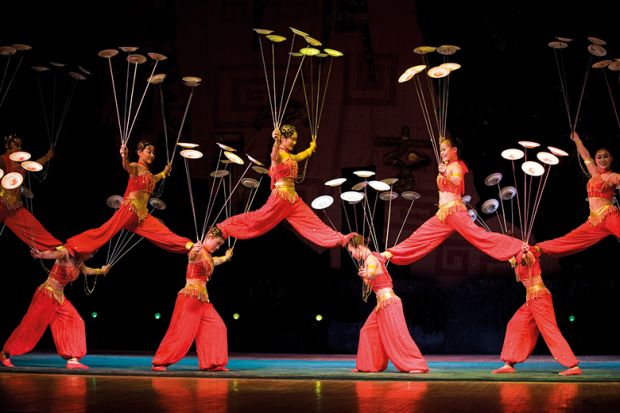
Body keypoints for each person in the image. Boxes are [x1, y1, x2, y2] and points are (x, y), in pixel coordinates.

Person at [382, 136, 524, 264]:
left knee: (480, 237)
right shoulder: (448, 166)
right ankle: (388, 254)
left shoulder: (456, 166)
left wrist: (444, 173)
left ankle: (518, 246)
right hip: (443, 215)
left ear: (454, 150)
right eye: (440, 150)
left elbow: (456, 181)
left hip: (455, 212)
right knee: (421, 235)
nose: (442, 152)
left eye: (444, 149)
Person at [216, 125, 347, 248]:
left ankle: (340, 239)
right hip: (280, 198)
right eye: (293, 139)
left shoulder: (290, 155)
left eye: (296, 139)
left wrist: (311, 148)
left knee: (312, 222)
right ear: (283, 138)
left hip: (292, 199)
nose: (295, 142)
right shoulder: (277, 154)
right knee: (258, 219)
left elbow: (300, 156)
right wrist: (276, 141)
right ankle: (225, 227)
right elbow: (274, 155)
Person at [65, 140, 193, 256]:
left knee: (162, 231)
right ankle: (73, 245)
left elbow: (155, 178)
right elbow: (127, 166)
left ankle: (188, 245)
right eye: (149, 152)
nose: (152, 155)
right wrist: (124, 156)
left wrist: (164, 172)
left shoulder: (149, 174)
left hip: (141, 216)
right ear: (139, 152)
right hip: (129, 209)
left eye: (153, 153)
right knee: (105, 231)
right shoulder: (136, 167)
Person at [0, 246, 109, 369]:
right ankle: (5, 353)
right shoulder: (65, 252)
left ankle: (73, 360)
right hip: (46, 295)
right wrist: (40, 255)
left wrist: (100, 271)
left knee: (75, 321)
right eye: (92, 252)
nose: (92, 256)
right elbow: (53, 254)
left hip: (59, 298)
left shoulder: (79, 261)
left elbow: (85, 270)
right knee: (30, 325)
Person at [152, 226, 232, 372]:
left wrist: (226, 257)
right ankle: (160, 361)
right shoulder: (199, 251)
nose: (218, 247)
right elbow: (192, 257)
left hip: (203, 301)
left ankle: (212, 363)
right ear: (209, 237)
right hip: (190, 298)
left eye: (220, 245)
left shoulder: (207, 255)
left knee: (218, 327)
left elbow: (214, 261)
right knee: (181, 331)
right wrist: (193, 252)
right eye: (218, 243)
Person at [346, 234, 429, 374]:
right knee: (367, 330)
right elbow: (373, 277)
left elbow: (372, 273)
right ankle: (370, 365)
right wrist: (366, 275)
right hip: (382, 304)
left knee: (398, 335)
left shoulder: (371, 259)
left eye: (352, 251)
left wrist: (366, 275)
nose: (352, 255)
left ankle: (417, 364)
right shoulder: (374, 257)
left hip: (389, 303)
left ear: (358, 247)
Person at [492, 248, 581, 376]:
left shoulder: (527, 254)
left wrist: (526, 253)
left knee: (549, 330)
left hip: (539, 297)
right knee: (515, 324)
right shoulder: (514, 258)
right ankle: (509, 363)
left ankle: (573, 366)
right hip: (531, 299)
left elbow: (529, 258)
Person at [535, 131, 619, 256]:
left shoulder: (612, 176)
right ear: (595, 160)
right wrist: (577, 140)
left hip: (609, 216)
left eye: (606, 156)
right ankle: (537, 249)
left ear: (611, 158)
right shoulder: (594, 172)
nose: (602, 159)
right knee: (570, 240)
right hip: (594, 221)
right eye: (599, 157)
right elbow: (585, 156)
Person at [0, 133, 61, 250]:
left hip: (14, 207)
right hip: (3, 204)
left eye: (20, 146)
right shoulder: (2, 160)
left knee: (34, 228)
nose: (19, 148)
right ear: (7, 145)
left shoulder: (19, 164)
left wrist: (47, 156)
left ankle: (55, 248)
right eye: (16, 145)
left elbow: (34, 165)